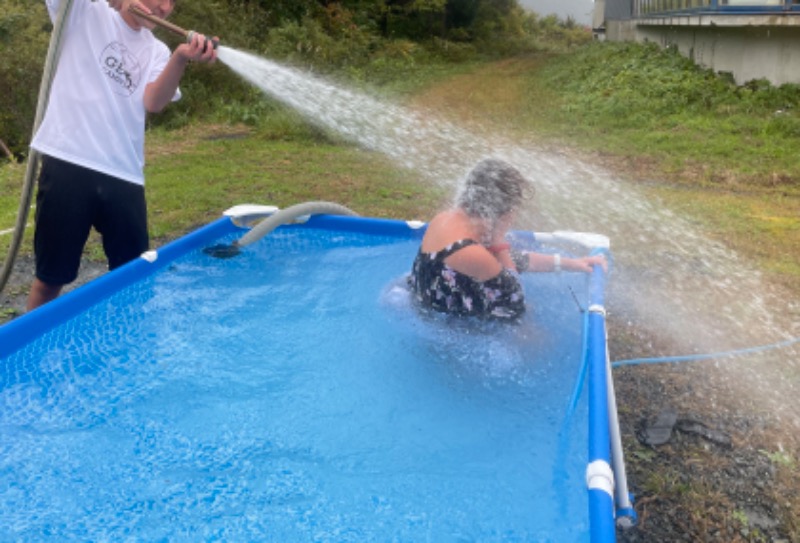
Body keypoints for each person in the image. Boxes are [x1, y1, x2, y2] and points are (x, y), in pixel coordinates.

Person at [26, 0, 218, 311]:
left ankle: (132, 350)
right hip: (69, 162)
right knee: (51, 277)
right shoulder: (84, 12)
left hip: (124, 174)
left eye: (172, 3)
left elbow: (154, 102)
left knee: (134, 276)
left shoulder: (158, 51)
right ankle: (24, 352)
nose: (165, 8)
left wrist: (182, 57)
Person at [408, 158, 607, 321]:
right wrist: (498, 240)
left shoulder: (446, 219)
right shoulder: (470, 252)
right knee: (536, 337)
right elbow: (514, 301)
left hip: (425, 307)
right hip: (447, 329)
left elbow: (513, 260)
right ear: (503, 212)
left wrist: (571, 263)